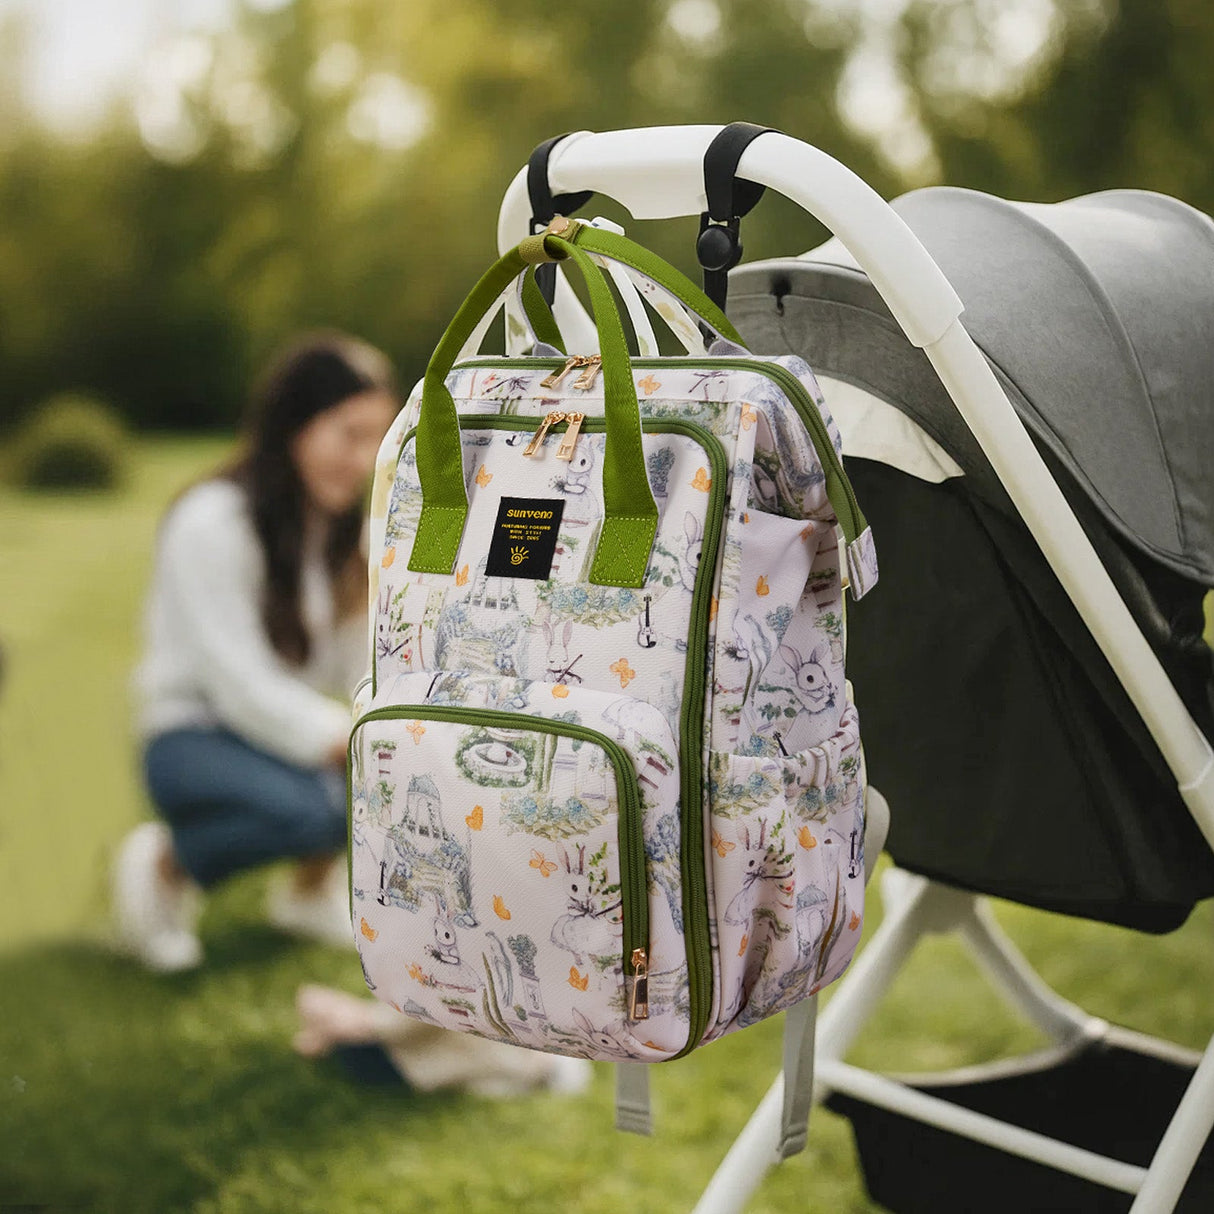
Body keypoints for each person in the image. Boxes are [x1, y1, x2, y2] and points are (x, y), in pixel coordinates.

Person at [114, 332, 398, 972]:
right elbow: (235, 684)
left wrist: (390, 723)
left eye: (377, 437)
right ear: (294, 425)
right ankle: (163, 867)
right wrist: (349, 736)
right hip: (192, 736)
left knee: (380, 774)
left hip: (270, 730)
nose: (365, 458)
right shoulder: (212, 520)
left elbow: (361, 660)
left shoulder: (339, 529)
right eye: (348, 434)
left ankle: (306, 896)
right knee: (314, 807)